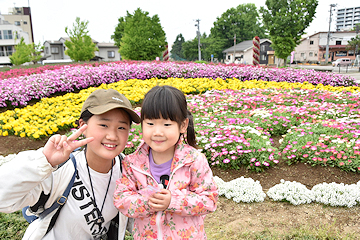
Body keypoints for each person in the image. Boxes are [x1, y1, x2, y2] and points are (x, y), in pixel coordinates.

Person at [0, 88, 140, 240]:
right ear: (82, 126)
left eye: (121, 127)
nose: (112, 136)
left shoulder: (128, 171)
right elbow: (3, 199)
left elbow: (135, 219)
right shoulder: (60, 169)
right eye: (104, 125)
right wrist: (44, 161)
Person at [113, 85, 218, 240]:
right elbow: (121, 199)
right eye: (150, 123)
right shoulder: (132, 163)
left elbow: (209, 200)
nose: (157, 132)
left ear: (182, 125)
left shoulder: (194, 161)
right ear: (142, 124)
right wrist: (147, 202)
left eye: (166, 124)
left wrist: (173, 201)